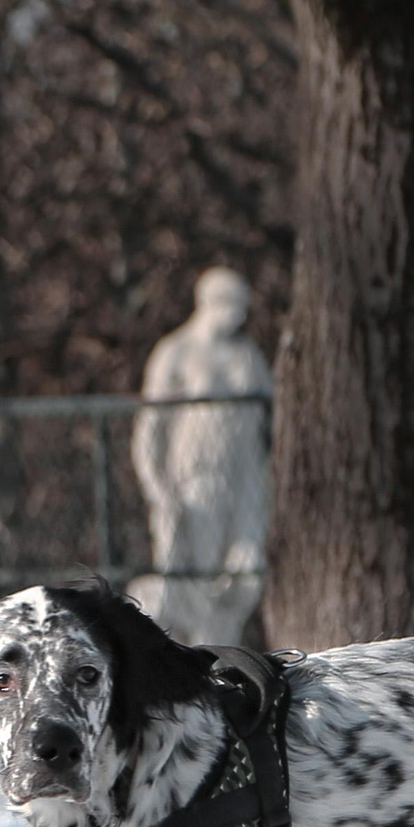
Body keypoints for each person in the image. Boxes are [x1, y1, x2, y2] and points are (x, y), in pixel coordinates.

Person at [128, 269, 273, 645]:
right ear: (211, 304)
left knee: (246, 569)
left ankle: (224, 653)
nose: (241, 316)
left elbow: (268, 420)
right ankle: (192, 654)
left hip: (246, 477)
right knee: (196, 576)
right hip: (197, 477)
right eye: (236, 306)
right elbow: (149, 429)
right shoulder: (176, 352)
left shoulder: (247, 355)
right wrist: (159, 490)